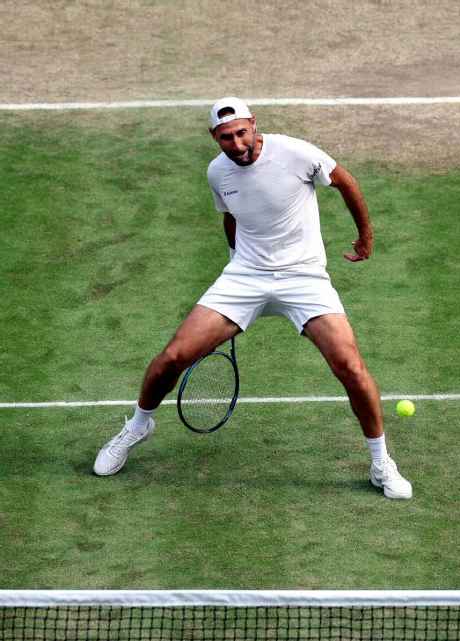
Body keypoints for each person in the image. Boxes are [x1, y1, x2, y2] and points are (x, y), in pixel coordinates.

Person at [93, 97, 413, 498]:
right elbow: (232, 215)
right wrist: (235, 265)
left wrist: (366, 237)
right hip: (245, 278)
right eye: (226, 137)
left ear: (254, 125)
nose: (237, 143)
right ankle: (137, 427)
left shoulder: (297, 153)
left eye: (242, 132)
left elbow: (346, 182)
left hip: (304, 277)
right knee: (172, 358)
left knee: (350, 366)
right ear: (215, 138)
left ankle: (381, 463)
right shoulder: (216, 172)